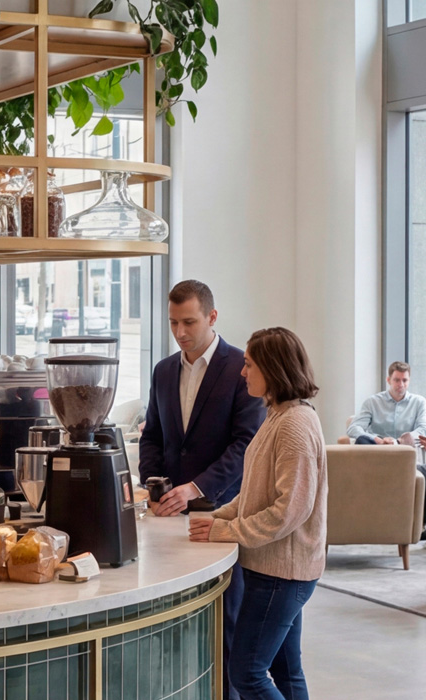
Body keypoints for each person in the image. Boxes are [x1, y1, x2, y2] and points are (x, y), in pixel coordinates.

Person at [138, 279, 265, 700]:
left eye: (189, 322)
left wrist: (195, 488)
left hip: (222, 512)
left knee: (226, 621)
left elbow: (246, 444)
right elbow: (152, 436)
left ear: (212, 317)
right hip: (168, 516)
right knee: (172, 618)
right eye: (173, 322)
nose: (180, 332)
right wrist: (154, 484)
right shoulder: (162, 370)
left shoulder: (242, 367)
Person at [189, 327, 327, 700]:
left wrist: (225, 531)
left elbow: (288, 511)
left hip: (281, 574)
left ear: (272, 368)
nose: (242, 371)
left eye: (249, 364)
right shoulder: (279, 414)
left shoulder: (294, 425)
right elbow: (255, 493)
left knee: (247, 673)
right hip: (280, 570)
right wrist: (218, 518)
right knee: (286, 671)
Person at [347, 361, 426, 536]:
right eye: (396, 380)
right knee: (362, 439)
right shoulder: (373, 402)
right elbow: (353, 428)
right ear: (388, 380)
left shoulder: (419, 402)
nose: (400, 384)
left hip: (405, 455)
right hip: (378, 455)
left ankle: (420, 525)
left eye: (404, 380)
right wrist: (378, 440)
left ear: (409, 381)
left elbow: (425, 429)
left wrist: (403, 439)